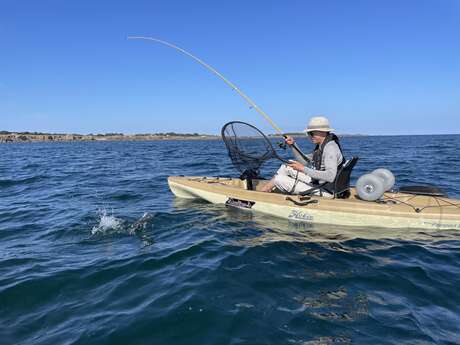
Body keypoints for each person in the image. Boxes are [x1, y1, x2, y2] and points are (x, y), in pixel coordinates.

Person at [261, 116, 344, 195]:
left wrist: (302, 169)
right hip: (318, 182)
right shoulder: (322, 146)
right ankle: (267, 190)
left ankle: (262, 194)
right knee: (286, 167)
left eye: (312, 133)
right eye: (308, 133)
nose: (309, 135)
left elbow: (330, 176)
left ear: (323, 132)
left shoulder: (330, 148)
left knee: (278, 179)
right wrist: (293, 145)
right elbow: (304, 161)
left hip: (326, 190)